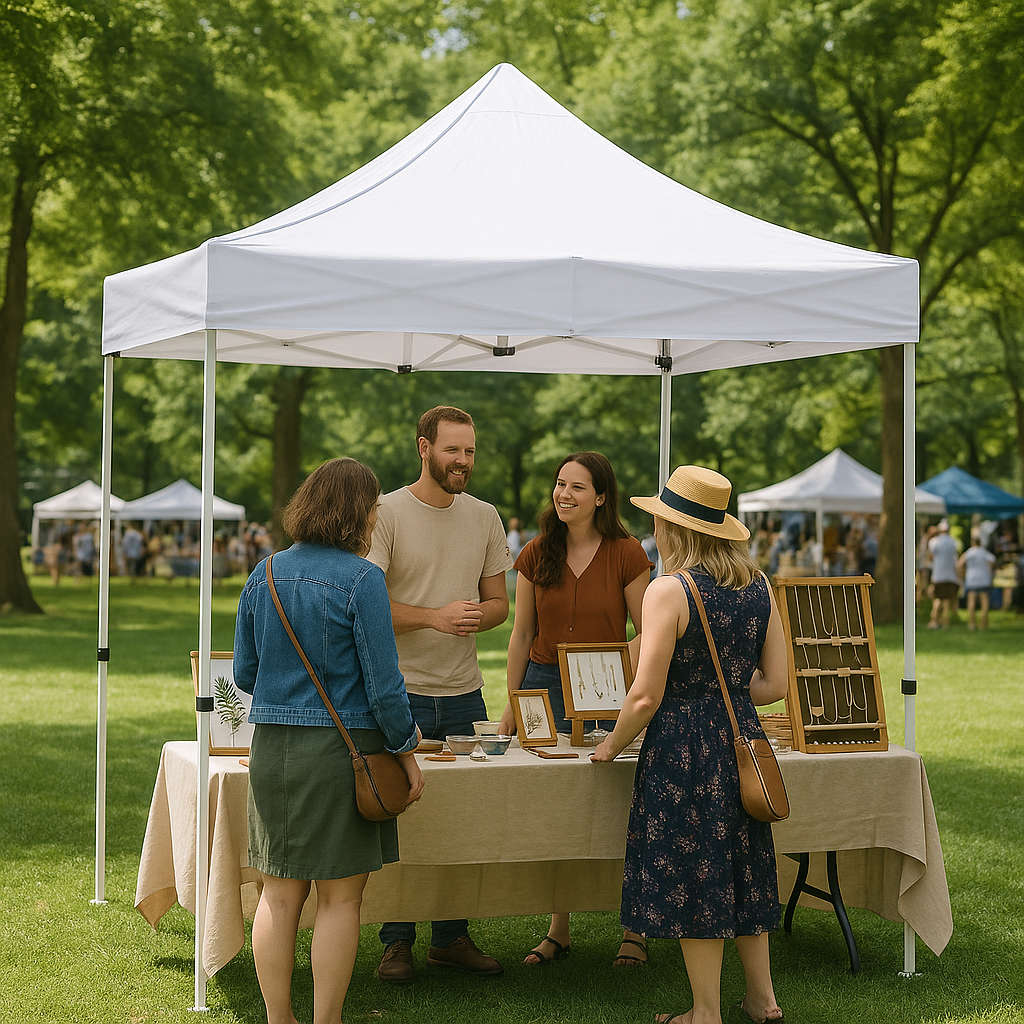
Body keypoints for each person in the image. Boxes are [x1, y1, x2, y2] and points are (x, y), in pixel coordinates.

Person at [592, 465, 788, 1024]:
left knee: (694, 875)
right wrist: (724, 685)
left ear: (675, 530)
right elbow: (776, 684)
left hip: (684, 748)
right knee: (742, 870)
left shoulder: (668, 590)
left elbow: (644, 697)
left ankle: (705, 1012)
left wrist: (610, 746)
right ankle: (762, 1001)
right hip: (741, 737)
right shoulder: (757, 584)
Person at [233, 458, 424, 1024]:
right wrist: (408, 752)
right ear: (360, 513)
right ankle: (326, 1021)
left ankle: (278, 1019)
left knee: (278, 895)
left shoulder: (262, 573)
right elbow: (385, 689)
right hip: (346, 755)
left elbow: (244, 673)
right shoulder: (363, 579)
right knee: (341, 897)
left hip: (272, 751)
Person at [368, 405, 513, 982]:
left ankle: (451, 938)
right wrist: (433, 617)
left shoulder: (485, 517)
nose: (463, 461)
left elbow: (500, 604)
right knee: (396, 817)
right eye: (453, 449)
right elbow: (368, 607)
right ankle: (396, 941)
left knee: (461, 819)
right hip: (397, 693)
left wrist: (477, 618)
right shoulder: (386, 512)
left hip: (463, 697)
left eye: (470, 451)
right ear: (423, 448)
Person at [497, 452, 653, 969]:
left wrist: (611, 668)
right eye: (560, 485)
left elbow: (646, 631)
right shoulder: (536, 552)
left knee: (621, 809)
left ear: (601, 496)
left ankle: (636, 930)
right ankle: (557, 930)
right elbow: (521, 636)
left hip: (607, 692)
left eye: (577, 487)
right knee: (557, 810)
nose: (564, 495)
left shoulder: (628, 553)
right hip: (543, 689)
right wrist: (510, 709)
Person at [957, 533, 996, 631]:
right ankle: (983, 624)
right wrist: (990, 571)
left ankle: (972, 624)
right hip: (983, 578)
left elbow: (959, 564)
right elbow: (992, 561)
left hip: (971, 578)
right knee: (984, 602)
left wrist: (963, 574)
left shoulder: (969, 552)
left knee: (971, 602)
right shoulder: (984, 552)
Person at [928, 520, 960, 630]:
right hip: (950, 575)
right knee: (947, 601)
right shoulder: (953, 542)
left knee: (937, 600)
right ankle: (945, 623)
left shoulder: (934, 542)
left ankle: (934, 621)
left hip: (938, 574)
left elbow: (930, 557)